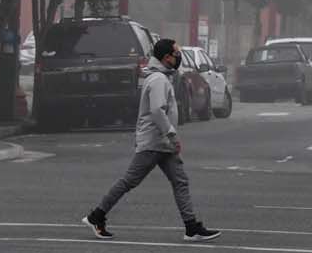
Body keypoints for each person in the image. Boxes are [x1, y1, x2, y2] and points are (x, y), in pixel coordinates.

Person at [82, 38, 220, 242]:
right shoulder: (158, 80)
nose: (179, 57)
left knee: (180, 181)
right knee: (130, 181)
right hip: (155, 142)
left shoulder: (162, 77)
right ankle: (97, 216)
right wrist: (172, 134)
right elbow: (157, 110)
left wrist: (170, 138)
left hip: (163, 143)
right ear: (166, 58)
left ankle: (191, 227)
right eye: (176, 54)